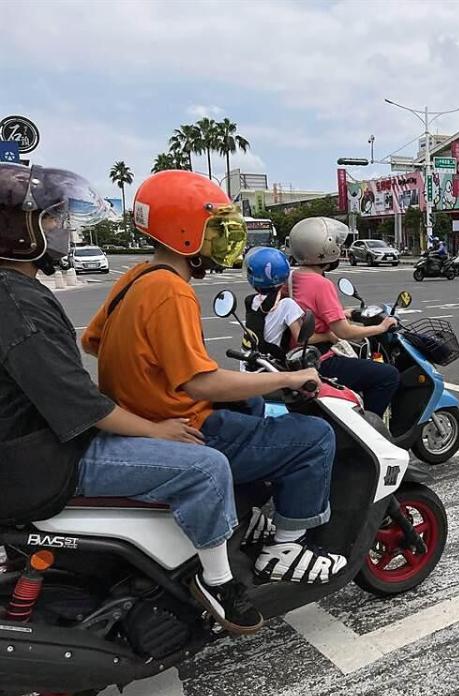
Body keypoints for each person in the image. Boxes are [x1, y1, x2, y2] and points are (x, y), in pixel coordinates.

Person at [0, 163, 263, 634]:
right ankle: (218, 584)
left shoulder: (19, 290)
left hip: (33, 447)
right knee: (207, 466)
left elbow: (88, 351)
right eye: (51, 220)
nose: (61, 230)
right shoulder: (15, 302)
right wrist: (156, 428)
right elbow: (79, 402)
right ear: (15, 229)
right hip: (47, 460)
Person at [81, 171, 346, 590]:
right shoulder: (172, 292)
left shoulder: (135, 277)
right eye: (215, 231)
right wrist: (291, 377)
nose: (222, 242)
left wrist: (153, 372)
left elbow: (94, 342)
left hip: (141, 414)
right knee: (313, 438)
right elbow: (200, 384)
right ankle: (286, 546)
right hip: (186, 426)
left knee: (254, 409)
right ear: (183, 231)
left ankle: (252, 515)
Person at [287, 217, 401, 417]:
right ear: (325, 247)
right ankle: (371, 433)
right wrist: (381, 327)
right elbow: (344, 331)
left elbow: (311, 311)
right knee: (388, 375)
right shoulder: (320, 283)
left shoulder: (294, 277)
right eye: (336, 243)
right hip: (320, 360)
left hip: (299, 355)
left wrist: (343, 313)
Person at [242, 246, 305, 357]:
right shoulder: (287, 305)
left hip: (248, 365)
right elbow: (301, 339)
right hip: (269, 366)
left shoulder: (251, 301)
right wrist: (327, 336)